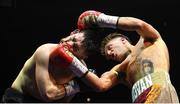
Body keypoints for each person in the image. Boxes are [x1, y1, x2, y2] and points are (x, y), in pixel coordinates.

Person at [67, 10, 179, 103]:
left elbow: (139, 25)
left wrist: (102, 20)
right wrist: (72, 61)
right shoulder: (121, 70)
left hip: (160, 89)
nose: (110, 54)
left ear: (123, 40)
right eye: (108, 56)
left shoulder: (147, 40)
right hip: (138, 100)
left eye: (110, 48)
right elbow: (100, 85)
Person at [1, 28, 101, 103]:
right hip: (18, 98)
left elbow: (64, 100)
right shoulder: (45, 51)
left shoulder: (81, 69)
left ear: (84, 56)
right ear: (73, 33)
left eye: (74, 47)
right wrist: (77, 86)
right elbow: (48, 94)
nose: (68, 43)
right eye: (72, 39)